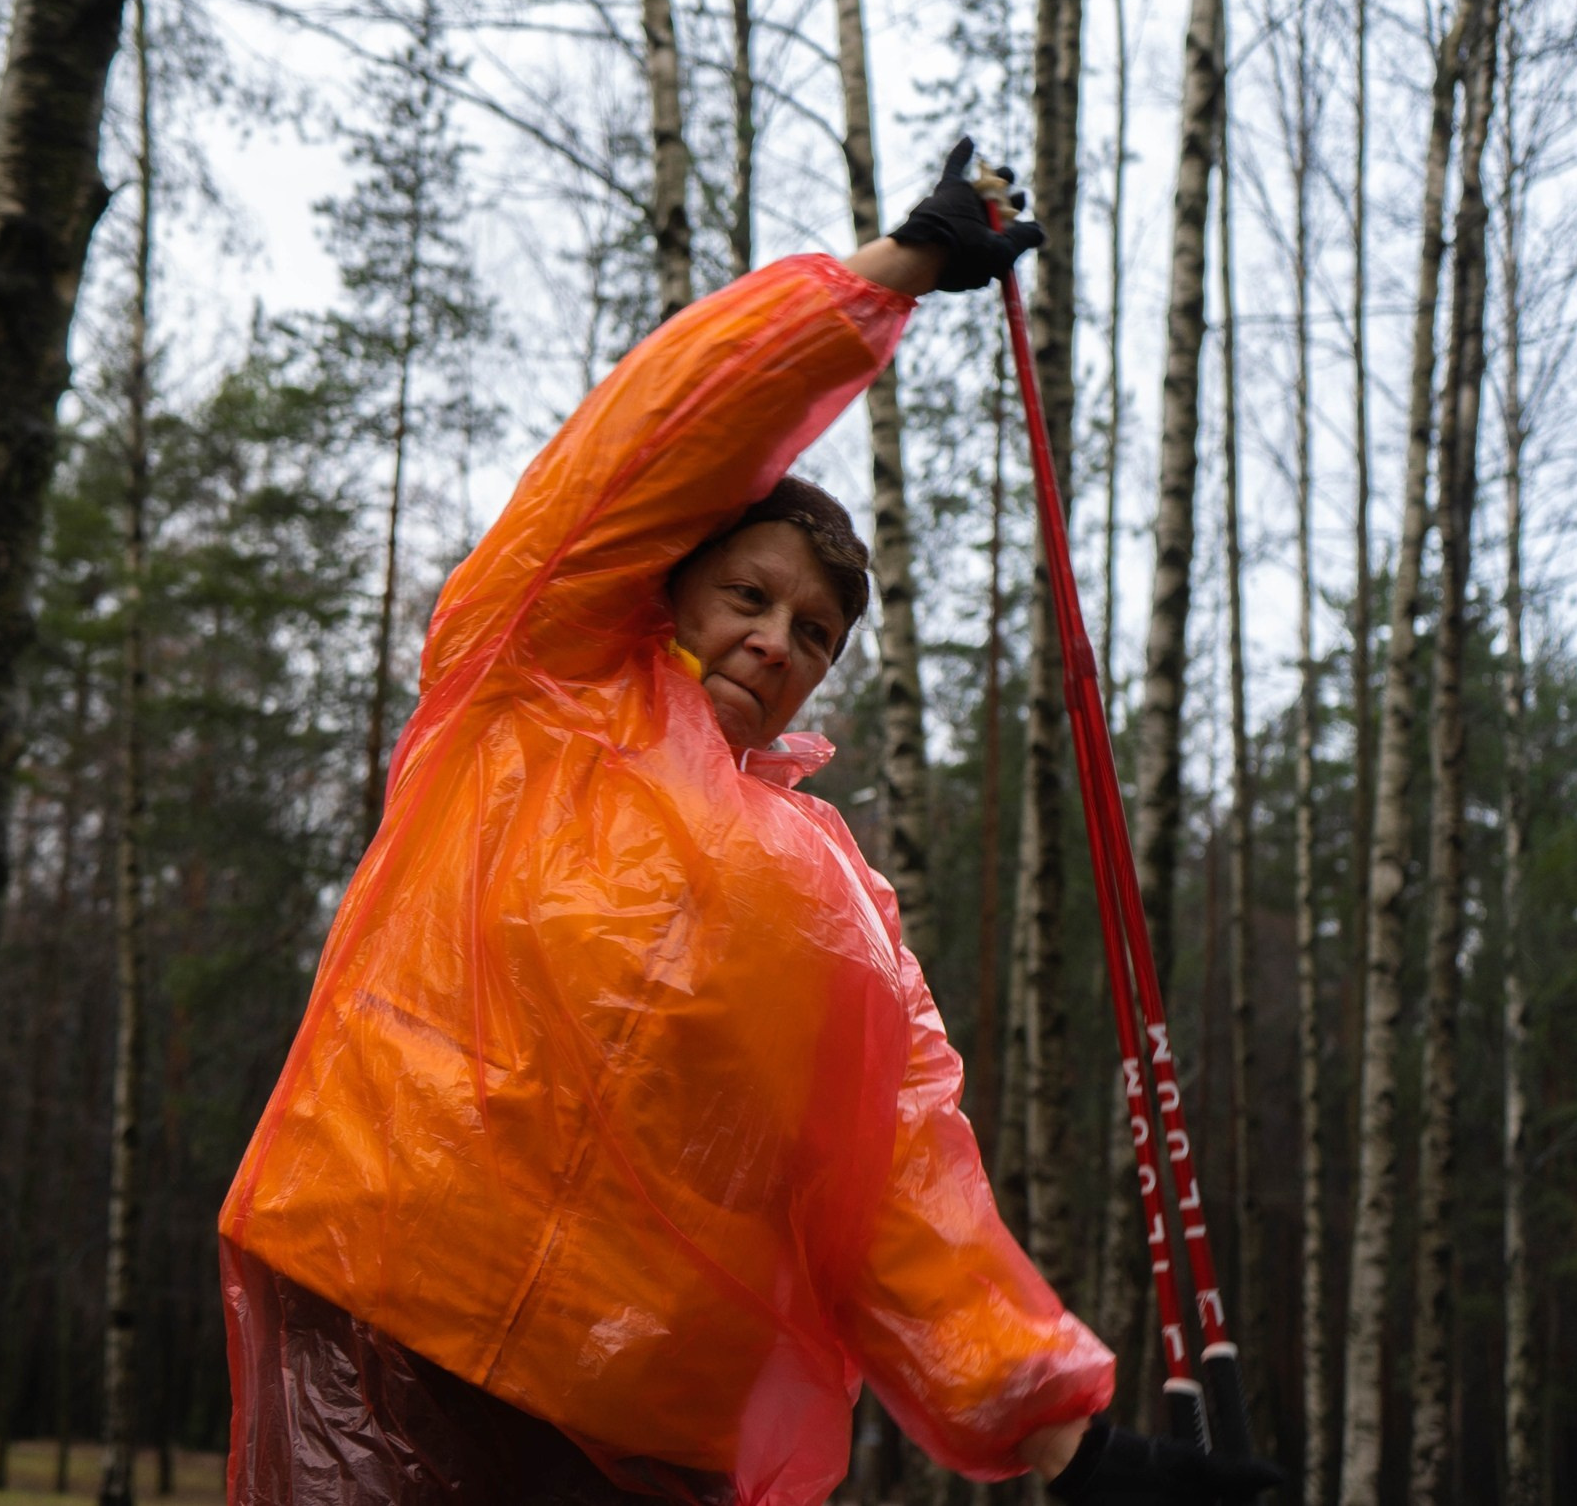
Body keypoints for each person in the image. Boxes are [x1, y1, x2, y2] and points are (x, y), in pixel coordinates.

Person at [218, 143, 1282, 1505]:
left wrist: (1067, 1448)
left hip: (643, 1415)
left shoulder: (829, 899)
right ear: (671, 581)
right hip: (391, 1291)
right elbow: (656, 438)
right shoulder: (535, 679)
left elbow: (896, 1179)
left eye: (817, 634)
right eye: (750, 596)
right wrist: (897, 274)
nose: (779, 643)